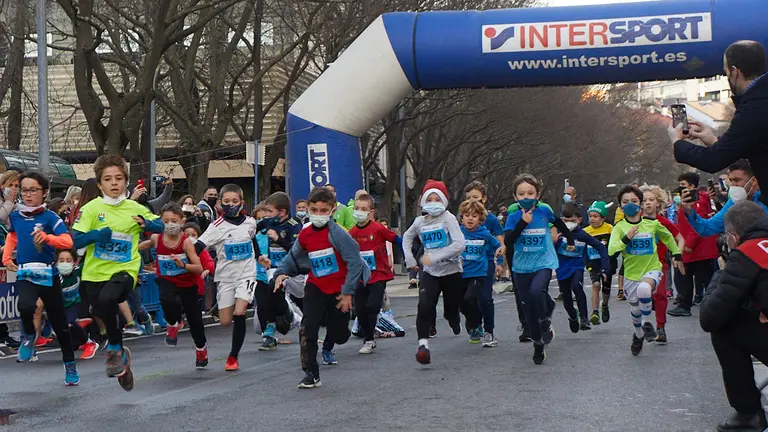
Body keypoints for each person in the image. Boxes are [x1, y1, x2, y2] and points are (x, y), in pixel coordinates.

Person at [73, 155, 164, 391]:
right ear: (100, 184)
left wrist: (148, 224)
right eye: (108, 179)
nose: (114, 183)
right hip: (95, 272)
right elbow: (74, 240)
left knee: (109, 299)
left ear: (126, 181)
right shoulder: (91, 209)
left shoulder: (135, 207)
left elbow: (161, 226)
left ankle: (114, 348)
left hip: (125, 268)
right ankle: (120, 356)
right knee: (100, 307)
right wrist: (95, 236)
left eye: (119, 178)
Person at [273, 187, 368, 389]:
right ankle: (311, 373)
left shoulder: (340, 235)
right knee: (308, 328)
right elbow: (293, 256)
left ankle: (338, 329)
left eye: (323, 210)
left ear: (332, 210)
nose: (318, 215)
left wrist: (348, 292)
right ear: (307, 208)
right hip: (315, 286)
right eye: (314, 210)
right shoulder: (305, 233)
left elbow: (355, 263)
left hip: (338, 291)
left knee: (340, 334)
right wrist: (281, 272)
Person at [2, 171, 79, 385]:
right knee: (26, 307)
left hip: (48, 274)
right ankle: (28, 336)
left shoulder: (50, 217)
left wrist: (47, 238)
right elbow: (13, 235)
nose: (27, 195)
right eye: (24, 190)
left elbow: (67, 241)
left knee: (60, 324)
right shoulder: (16, 215)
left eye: (33, 190)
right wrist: (7, 255)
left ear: (44, 193)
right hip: (25, 272)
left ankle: (69, 363)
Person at [672, 40, 768, 208]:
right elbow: (754, 145)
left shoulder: (754, 108)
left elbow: (712, 161)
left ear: (735, 72)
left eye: (725, 72)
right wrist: (714, 141)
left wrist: (677, 143)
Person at [700, 201, 768, 432]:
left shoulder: (748, 253)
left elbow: (710, 317)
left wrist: (722, 273)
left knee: (724, 327)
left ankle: (748, 413)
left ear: (733, 236)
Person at [504, 174, 575, 364]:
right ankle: (538, 343)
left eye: (530, 193)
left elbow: (559, 223)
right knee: (528, 308)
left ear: (537, 195)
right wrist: (522, 223)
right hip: (521, 265)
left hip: (543, 260)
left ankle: (545, 321)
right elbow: (509, 241)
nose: (526, 197)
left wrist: (569, 239)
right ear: (515, 196)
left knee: (537, 292)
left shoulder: (544, 211)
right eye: (521, 194)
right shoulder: (513, 217)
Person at [608, 185, 683, 357]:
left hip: (652, 269)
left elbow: (668, 237)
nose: (630, 204)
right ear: (620, 206)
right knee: (635, 311)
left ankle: (648, 324)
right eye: (625, 202)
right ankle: (639, 334)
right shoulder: (619, 228)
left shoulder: (652, 224)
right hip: (631, 275)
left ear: (640, 204)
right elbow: (612, 250)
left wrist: (677, 253)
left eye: (634, 201)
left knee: (644, 289)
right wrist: (626, 239)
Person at [194, 184, 258, 372]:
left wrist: (260, 256)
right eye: (227, 202)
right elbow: (199, 246)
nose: (231, 205)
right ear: (221, 203)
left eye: (235, 201)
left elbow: (252, 240)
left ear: (242, 203)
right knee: (224, 320)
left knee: (240, 312)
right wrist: (185, 259)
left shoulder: (250, 222)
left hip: (246, 274)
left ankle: (233, 356)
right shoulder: (216, 227)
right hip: (225, 278)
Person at [403, 180, 466, 365]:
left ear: (444, 201)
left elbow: (459, 244)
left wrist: (436, 256)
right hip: (430, 272)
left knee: (450, 310)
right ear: (423, 202)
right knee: (424, 305)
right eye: (428, 199)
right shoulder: (419, 222)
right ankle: (423, 346)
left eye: (437, 199)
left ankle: (454, 319)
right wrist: (410, 259)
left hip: (452, 271)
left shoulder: (449, 219)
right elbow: (407, 237)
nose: (433, 202)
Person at [140, 203, 207, 368]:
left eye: (174, 220)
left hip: (187, 283)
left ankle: (201, 349)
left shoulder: (186, 243)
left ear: (182, 222)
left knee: (195, 320)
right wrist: (130, 250)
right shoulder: (157, 238)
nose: (170, 224)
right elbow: (144, 245)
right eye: (166, 220)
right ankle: (173, 323)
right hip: (167, 280)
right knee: (167, 299)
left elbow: (198, 268)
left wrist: (182, 265)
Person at [349, 193, 398, 354]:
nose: (359, 212)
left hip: (378, 274)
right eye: (357, 209)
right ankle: (369, 339)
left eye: (363, 209)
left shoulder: (378, 229)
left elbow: (395, 239)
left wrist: (411, 252)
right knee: (360, 309)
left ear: (370, 212)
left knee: (371, 306)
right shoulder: (352, 232)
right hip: (360, 276)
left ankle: (379, 300)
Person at [255, 192, 302, 352]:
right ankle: (271, 331)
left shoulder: (294, 225)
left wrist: (278, 239)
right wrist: (259, 255)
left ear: (282, 212)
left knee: (275, 289)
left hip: (290, 270)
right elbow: (250, 232)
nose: (266, 215)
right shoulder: (267, 223)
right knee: (267, 294)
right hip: (272, 268)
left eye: (269, 211)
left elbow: (296, 250)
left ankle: (289, 317)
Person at [668, 173, 719, 317]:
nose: (680, 187)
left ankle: (688, 305)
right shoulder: (690, 201)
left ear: (691, 186)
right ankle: (687, 304)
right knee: (690, 276)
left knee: (693, 276)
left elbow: (697, 224)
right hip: (696, 248)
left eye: (683, 184)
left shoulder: (698, 201)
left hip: (698, 248)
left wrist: (688, 244)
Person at [640, 184, 685, 344]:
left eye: (651, 200)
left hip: (658, 264)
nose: (648, 203)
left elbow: (680, 239)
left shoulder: (663, 222)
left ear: (658, 202)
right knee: (639, 297)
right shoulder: (634, 222)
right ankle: (641, 328)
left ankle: (660, 328)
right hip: (638, 266)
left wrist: (677, 255)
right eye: (644, 200)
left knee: (659, 295)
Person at [556, 202, 610, 333]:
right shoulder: (558, 233)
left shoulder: (582, 234)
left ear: (579, 220)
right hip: (561, 268)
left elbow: (601, 247)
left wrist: (605, 267)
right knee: (567, 297)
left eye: (572, 221)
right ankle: (573, 316)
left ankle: (584, 318)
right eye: (565, 221)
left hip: (576, 266)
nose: (568, 224)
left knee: (577, 286)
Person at [464, 181, 504, 347]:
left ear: (484, 199)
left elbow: (500, 243)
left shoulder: (492, 221)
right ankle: (474, 323)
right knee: (468, 299)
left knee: (485, 298)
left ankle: (489, 331)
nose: (473, 201)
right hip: (466, 267)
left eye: (476, 198)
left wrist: (500, 262)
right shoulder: (463, 220)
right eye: (469, 198)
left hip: (486, 263)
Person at [685, 160, 768, 237]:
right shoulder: (733, 203)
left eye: (737, 180)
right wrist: (689, 211)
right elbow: (707, 228)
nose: (733, 184)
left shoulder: (764, 200)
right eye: (731, 180)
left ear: (753, 181)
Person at [56, 249, 99, 360]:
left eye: (68, 260)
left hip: (74, 303)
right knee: (73, 345)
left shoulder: (78, 270)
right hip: (59, 307)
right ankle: (79, 325)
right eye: (61, 260)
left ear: (74, 262)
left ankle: (90, 343)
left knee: (69, 323)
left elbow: (93, 261)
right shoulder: (53, 275)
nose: (65, 263)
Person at [584, 201, 616, 326]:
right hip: (592, 263)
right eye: (590, 216)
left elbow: (614, 245)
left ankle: (605, 305)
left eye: (595, 216)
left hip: (606, 264)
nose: (592, 219)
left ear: (603, 218)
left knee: (606, 288)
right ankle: (595, 312)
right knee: (596, 284)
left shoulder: (609, 229)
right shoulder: (585, 231)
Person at [182, 222, 214, 312]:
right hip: (180, 284)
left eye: (193, 235)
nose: (190, 237)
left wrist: (207, 270)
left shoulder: (200, 249)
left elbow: (209, 261)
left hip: (196, 285)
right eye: (187, 235)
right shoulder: (178, 248)